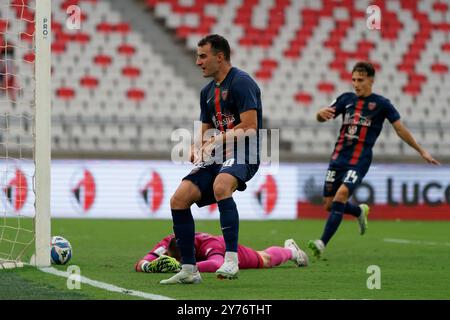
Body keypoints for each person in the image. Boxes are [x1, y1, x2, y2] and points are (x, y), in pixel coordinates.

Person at [308, 61, 440, 259]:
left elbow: (400, 129)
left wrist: (422, 151)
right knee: (329, 205)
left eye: (360, 80)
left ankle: (321, 243)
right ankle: (359, 212)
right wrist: (319, 114)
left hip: (359, 159)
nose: (356, 84)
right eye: (353, 79)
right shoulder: (346, 99)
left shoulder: (381, 104)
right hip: (338, 158)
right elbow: (323, 116)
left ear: (371, 80)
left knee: (341, 195)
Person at [160, 34, 263, 284]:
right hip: (219, 155)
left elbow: (250, 126)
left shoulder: (242, 82)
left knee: (221, 186)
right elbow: (206, 127)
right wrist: (197, 146)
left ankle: (231, 260)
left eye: (203, 56)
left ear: (220, 57)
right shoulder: (207, 92)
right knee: (179, 199)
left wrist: (216, 141)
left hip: (244, 152)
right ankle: (188, 269)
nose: (198, 62)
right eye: (198, 56)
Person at [135, 232, 308, 274]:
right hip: (213, 251)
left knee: (265, 259)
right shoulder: (168, 242)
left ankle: (291, 252)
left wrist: (181, 267)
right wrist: (149, 267)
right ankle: (290, 250)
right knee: (263, 256)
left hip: (229, 250)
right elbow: (141, 262)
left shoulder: (210, 244)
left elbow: (217, 264)